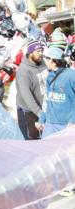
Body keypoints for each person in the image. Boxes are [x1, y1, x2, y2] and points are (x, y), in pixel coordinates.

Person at [35, 47, 75, 196]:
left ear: (52, 60)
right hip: (51, 122)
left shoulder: (71, 75)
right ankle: (51, 182)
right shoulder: (49, 75)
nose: (45, 61)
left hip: (67, 123)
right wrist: (42, 118)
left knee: (67, 156)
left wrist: (73, 119)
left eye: (46, 59)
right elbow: (47, 99)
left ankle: (68, 184)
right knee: (46, 153)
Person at [15, 40, 48, 140]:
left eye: (41, 50)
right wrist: (38, 112)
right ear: (30, 53)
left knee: (43, 137)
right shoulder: (23, 71)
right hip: (28, 111)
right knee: (32, 140)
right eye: (37, 51)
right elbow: (26, 95)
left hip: (42, 107)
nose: (41, 54)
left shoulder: (42, 63)